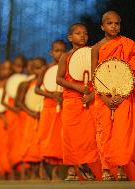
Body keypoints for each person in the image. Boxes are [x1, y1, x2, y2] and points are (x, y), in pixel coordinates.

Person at [91, 11, 135, 181]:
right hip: (103, 97)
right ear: (102, 26)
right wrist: (105, 97)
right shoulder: (96, 48)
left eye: (117, 23)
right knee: (105, 132)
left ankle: (121, 168)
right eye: (110, 23)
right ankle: (106, 168)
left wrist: (123, 94)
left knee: (122, 133)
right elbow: (95, 75)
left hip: (125, 95)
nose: (114, 26)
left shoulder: (128, 44)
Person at [56, 23, 99, 181]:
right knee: (70, 136)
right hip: (72, 101)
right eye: (78, 33)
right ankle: (71, 169)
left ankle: (84, 164)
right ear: (70, 37)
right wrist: (77, 87)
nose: (82, 36)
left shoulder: (93, 54)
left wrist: (92, 94)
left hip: (89, 101)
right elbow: (59, 79)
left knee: (88, 137)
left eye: (85, 33)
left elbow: (100, 78)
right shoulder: (65, 56)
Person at [35, 40, 66, 180]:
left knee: (59, 141)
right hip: (48, 107)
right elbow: (37, 89)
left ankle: (55, 172)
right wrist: (51, 95)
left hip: (62, 108)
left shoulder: (68, 69)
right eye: (57, 50)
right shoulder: (45, 69)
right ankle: (42, 166)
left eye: (62, 51)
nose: (59, 53)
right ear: (51, 52)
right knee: (46, 139)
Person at [18, 57, 46, 179]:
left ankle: (43, 170)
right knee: (32, 144)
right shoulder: (27, 84)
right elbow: (19, 102)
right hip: (31, 117)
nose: (39, 71)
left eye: (41, 68)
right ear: (32, 69)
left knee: (43, 143)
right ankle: (34, 171)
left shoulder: (48, 82)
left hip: (45, 117)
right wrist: (31, 112)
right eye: (36, 68)